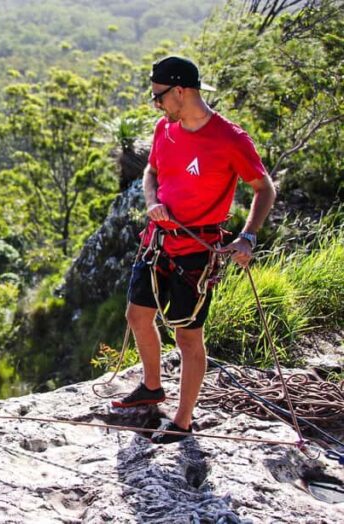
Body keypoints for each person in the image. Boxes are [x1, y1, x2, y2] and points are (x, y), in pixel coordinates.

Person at [112, 56, 276, 444]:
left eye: (159, 96)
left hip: (196, 253)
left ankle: (183, 421)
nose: (156, 104)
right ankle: (152, 386)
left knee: (188, 337)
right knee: (138, 316)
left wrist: (248, 237)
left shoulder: (230, 139)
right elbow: (152, 172)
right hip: (157, 241)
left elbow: (264, 188)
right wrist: (152, 201)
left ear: (181, 91)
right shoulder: (164, 129)